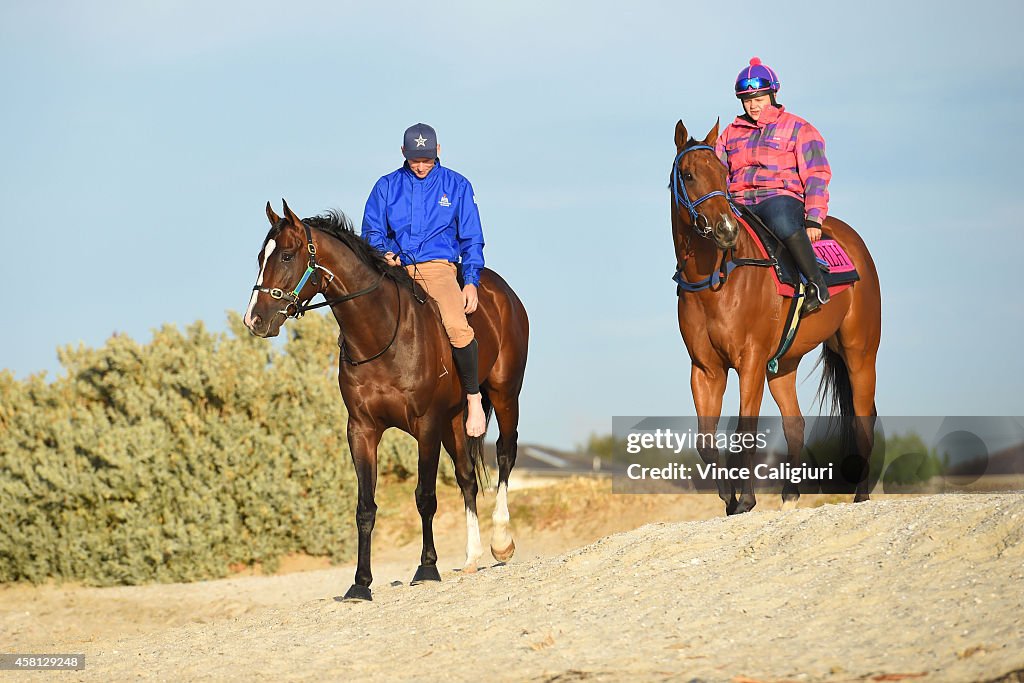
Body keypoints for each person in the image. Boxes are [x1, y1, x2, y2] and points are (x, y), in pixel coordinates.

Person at [361, 123, 488, 436]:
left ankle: (473, 398)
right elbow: (372, 230)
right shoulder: (386, 186)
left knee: (457, 327)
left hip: (438, 267)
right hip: (395, 268)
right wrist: (383, 252)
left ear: (438, 152)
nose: (421, 166)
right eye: (416, 160)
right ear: (404, 153)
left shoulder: (457, 185)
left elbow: (472, 237)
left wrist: (470, 279)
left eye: (427, 160)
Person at [715, 57, 833, 314]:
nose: (753, 106)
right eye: (747, 101)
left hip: (779, 198)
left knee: (780, 219)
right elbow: (717, 171)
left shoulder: (799, 128)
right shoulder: (729, 134)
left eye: (758, 99)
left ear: (773, 94)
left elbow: (817, 173)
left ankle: (816, 283)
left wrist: (813, 218)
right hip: (739, 202)